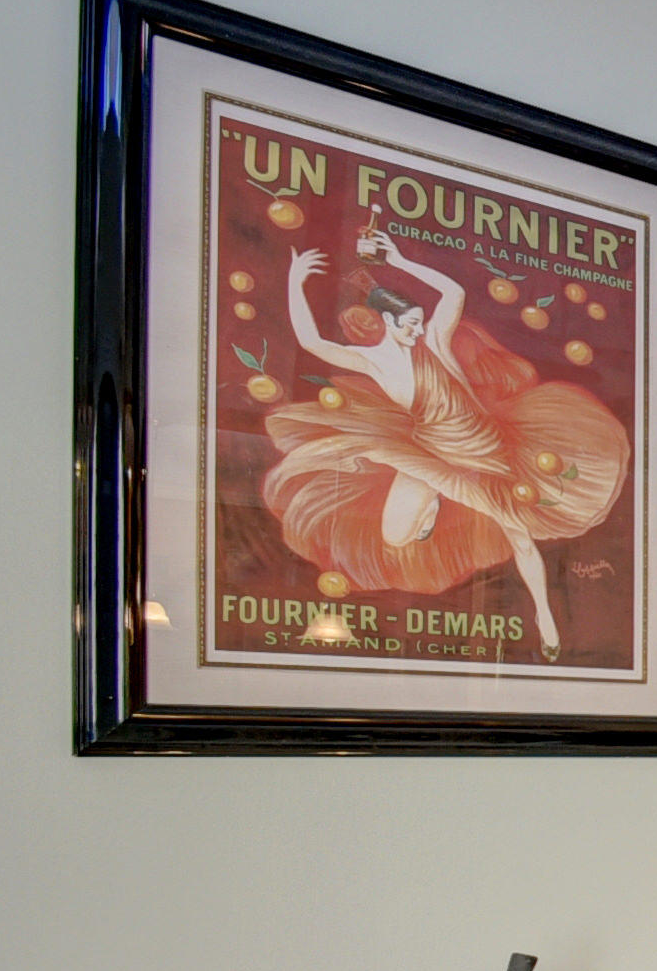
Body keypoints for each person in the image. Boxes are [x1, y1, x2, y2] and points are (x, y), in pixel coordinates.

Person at [265, 231, 627, 658]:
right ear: (388, 323)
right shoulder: (374, 363)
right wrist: (295, 281)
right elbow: (311, 342)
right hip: (433, 457)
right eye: (410, 324)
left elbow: (454, 293)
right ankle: (432, 501)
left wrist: (400, 261)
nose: (419, 329)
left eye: (421, 321)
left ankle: (545, 620)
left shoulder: (435, 342)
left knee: (520, 537)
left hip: (489, 453)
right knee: (396, 536)